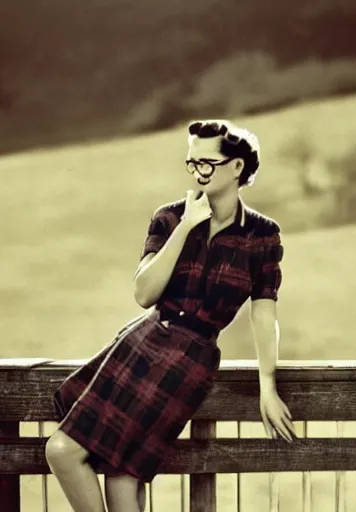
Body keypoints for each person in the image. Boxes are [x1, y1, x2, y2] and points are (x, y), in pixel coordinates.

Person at [44, 119, 296, 512]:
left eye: (207, 163)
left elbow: (264, 312)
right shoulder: (169, 218)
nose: (197, 173)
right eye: (191, 163)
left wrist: (267, 384)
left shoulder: (262, 235)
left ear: (237, 167)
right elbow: (144, 293)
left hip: (189, 359)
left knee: (106, 466)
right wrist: (187, 226)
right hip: (144, 339)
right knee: (100, 466)